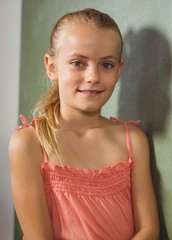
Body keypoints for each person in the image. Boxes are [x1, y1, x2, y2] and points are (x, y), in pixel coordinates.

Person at [8, 8, 159, 240]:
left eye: (106, 65)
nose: (93, 77)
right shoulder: (28, 144)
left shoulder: (133, 140)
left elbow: (148, 230)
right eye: (78, 63)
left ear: (119, 70)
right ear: (52, 67)